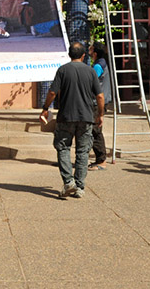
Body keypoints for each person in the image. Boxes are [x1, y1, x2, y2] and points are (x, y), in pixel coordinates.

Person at [41, 42, 104, 198]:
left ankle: (69, 182)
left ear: (69, 54)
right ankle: (80, 186)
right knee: (83, 151)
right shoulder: (90, 71)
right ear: (84, 56)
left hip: (66, 117)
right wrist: (100, 115)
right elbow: (100, 96)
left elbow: (52, 92)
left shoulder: (63, 70)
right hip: (86, 117)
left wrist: (45, 107)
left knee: (63, 147)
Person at [88, 41, 110, 170]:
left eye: (91, 48)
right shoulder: (99, 63)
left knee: (96, 130)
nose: (89, 50)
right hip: (97, 101)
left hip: (97, 102)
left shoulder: (98, 66)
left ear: (95, 52)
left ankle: (101, 160)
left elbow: (91, 82)